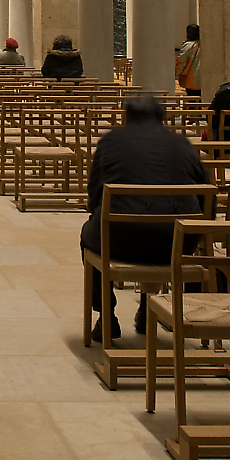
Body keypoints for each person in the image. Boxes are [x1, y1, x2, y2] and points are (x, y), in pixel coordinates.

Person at [81, 93, 211, 342]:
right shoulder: (181, 143)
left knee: (87, 236)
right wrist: (201, 231)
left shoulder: (112, 140)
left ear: (126, 116)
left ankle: (107, 316)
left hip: (120, 239)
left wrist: (95, 212)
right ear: (162, 118)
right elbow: (205, 191)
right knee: (160, 224)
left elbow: (96, 189)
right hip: (178, 242)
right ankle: (150, 308)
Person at [174, 23, 202, 96]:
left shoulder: (188, 46)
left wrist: (176, 75)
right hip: (205, 81)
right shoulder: (206, 45)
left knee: (192, 100)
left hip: (191, 81)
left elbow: (181, 62)